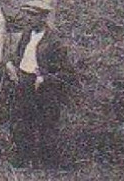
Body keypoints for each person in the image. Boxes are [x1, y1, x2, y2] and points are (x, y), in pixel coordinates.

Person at [8, 10, 77, 169]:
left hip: (44, 87)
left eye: (33, 16)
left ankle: (48, 162)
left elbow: (65, 71)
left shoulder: (54, 41)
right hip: (24, 82)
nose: (29, 19)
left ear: (43, 18)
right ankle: (23, 158)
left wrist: (45, 78)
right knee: (21, 122)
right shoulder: (27, 35)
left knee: (46, 123)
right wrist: (12, 66)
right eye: (28, 15)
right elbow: (20, 56)